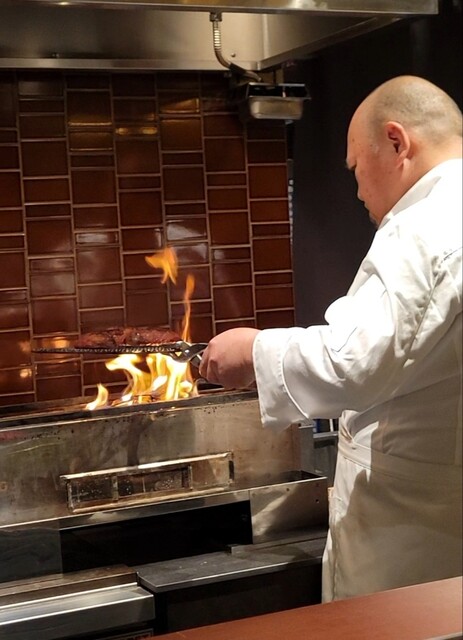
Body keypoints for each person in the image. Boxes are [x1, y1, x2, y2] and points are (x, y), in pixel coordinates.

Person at [199, 75, 463, 601]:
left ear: (397, 142)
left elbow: (354, 362)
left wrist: (254, 351)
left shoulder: (426, 226)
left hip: (413, 539)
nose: (358, 190)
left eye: (356, 167)